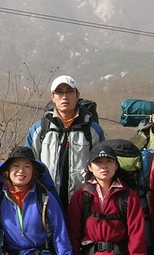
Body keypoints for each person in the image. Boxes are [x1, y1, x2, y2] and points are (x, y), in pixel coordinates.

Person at [24, 75, 104, 209]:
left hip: (83, 201)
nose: (64, 97)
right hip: (47, 200)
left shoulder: (92, 130)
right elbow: (28, 163)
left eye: (69, 91)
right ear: (52, 96)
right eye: (59, 92)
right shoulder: (40, 129)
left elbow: (102, 166)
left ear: (77, 95)